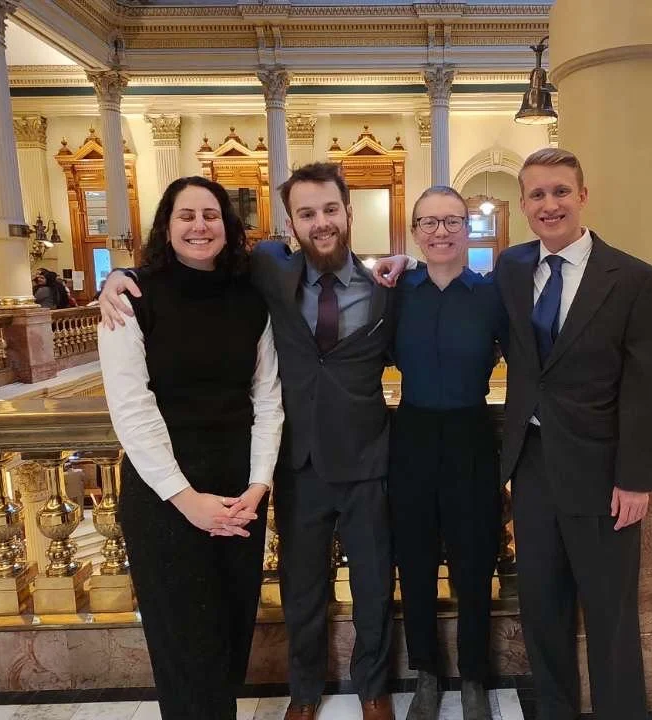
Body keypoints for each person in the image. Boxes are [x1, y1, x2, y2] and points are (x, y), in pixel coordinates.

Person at [100, 162, 399, 720]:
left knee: (370, 586)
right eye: (306, 213)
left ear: (348, 212)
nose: (320, 221)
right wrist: (114, 275)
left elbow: (265, 389)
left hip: (350, 461)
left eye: (330, 209)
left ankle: (373, 690)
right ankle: (304, 693)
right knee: (297, 589)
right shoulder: (267, 273)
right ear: (290, 223)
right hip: (286, 466)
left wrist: (412, 259)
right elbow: (135, 399)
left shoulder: (384, 287)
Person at [378, 148, 652, 720]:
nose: (549, 204)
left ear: (582, 196)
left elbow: (645, 385)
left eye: (560, 191)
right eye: (537, 194)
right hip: (523, 461)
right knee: (540, 605)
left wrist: (635, 477)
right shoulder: (510, 270)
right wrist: (394, 264)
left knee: (608, 612)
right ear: (524, 204)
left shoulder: (631, 278)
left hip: (593, 466)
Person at [98, 175, 284, 720]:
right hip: (165, 494)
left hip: (239, 489)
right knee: (184, 646)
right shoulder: (132, 297)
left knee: (230, 633)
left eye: (210, 215)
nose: (199, 226)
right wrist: (186, 500)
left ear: (228, 226)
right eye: (186, 215)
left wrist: (258, 485)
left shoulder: (250, 296)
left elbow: (267, 397)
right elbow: (131, 409)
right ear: (166, 226)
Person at [387, 187, 505, 720]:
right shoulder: (396, 293)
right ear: (415, 232)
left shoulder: (491, 295)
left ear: (468, 227)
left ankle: (474, 675)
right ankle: (427, 674)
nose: (441, 232)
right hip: (411, 434)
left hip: (471, 434)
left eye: (452, 221)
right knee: (414, 561)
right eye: (429, 223)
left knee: (474, 560)